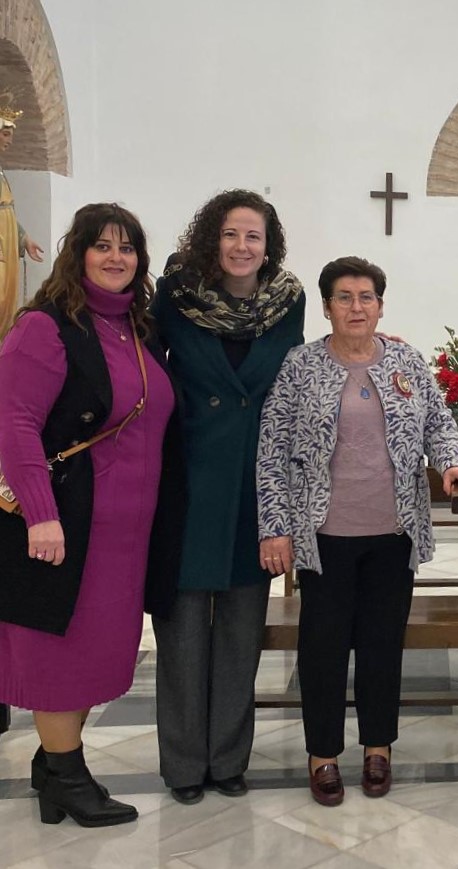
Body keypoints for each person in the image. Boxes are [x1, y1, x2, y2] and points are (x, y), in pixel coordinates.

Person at [257, 256, 458, 806]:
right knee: (323, 649)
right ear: (327, 307)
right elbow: (273, 450)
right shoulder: (300, 365)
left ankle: (379, 748)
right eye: (344, 297)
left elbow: (438, 423)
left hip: (392, 533)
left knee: (382, 647)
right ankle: (323, 755)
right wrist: (275, 527)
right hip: (324, 537)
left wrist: (454, 463)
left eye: (366, 297)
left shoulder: (405, 359)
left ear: (381, 305)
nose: (356, 307)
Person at [0, 203, 178, 826]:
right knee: (59, 650)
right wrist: (40, 515)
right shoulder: (45, 327)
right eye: (101, 246)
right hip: (69, 522)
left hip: (126, 532)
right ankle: (68, 779)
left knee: (98, 649)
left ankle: (54, 771)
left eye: (126, 248)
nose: (115, 257)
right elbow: (14, 421)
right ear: (77, 253)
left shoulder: (138, 329)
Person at [150, 190, 305, 806]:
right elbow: (150, 370)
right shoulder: (176, 295)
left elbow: (293, 379)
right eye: (232, 234)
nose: (243, 247)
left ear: (269, 247)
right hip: (186, 479)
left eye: (255, 237)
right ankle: (185, 765)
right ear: (212, 237)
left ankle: (229, 760)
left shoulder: (287, 301)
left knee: (242, 630)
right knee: (183, 630)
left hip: (255, 483)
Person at [0, 104, 45, 334]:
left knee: (7, 298)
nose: (9, 141)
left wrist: (24, 237)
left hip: (7, 243)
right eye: (6, 134)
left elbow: (6, 209)